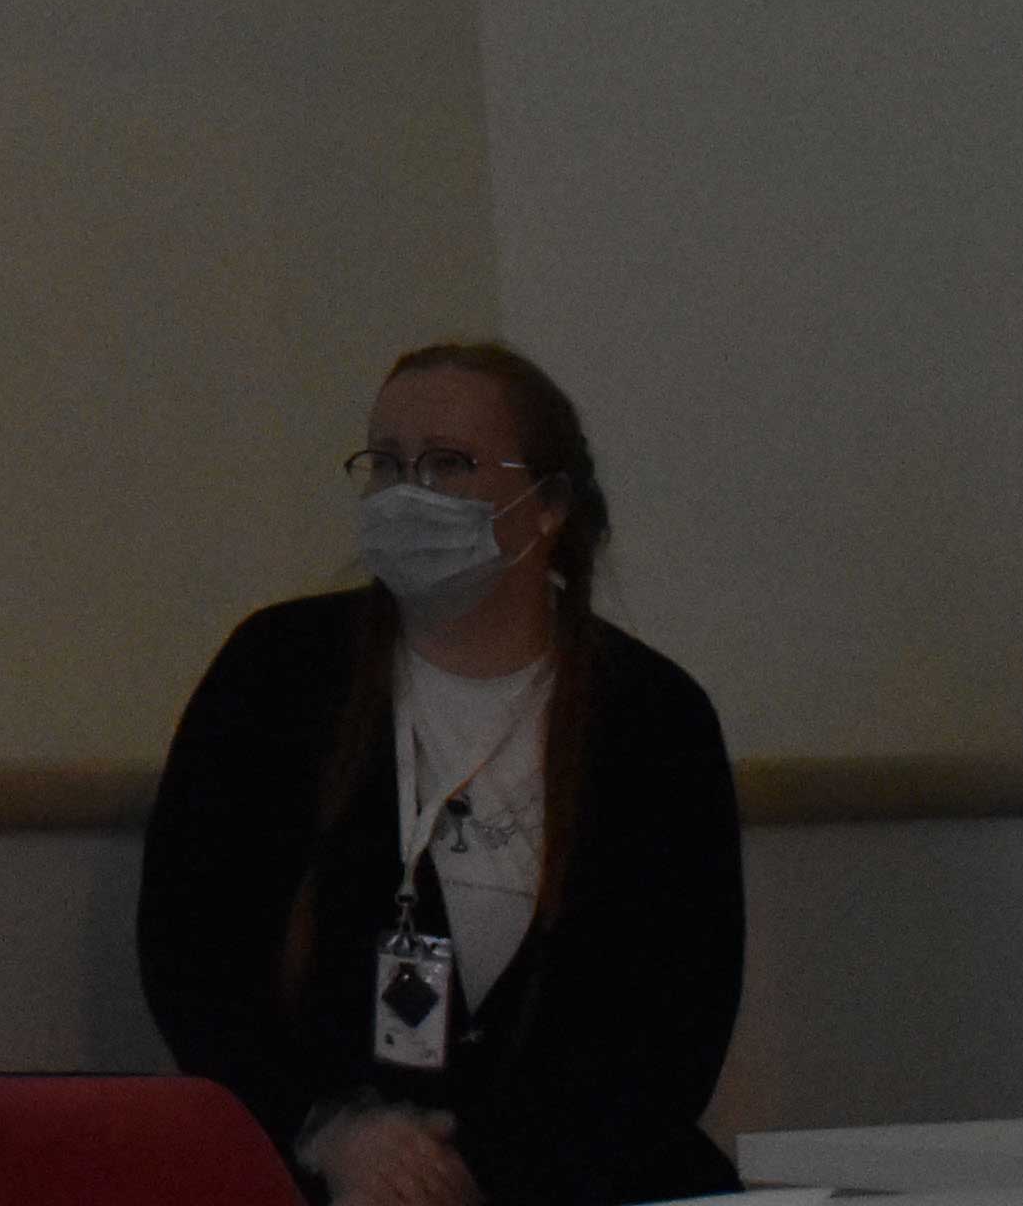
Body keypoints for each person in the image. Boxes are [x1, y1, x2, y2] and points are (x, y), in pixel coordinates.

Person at [140, 341, 741, 1206]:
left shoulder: (653, 718)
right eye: (386, 463)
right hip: (318, 1181)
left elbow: (676, 1024)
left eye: (449, 464)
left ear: (549, 505)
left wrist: (473, 1175)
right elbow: (192, 958)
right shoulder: (279, 673)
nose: (408, 492)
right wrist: (330, 1133)